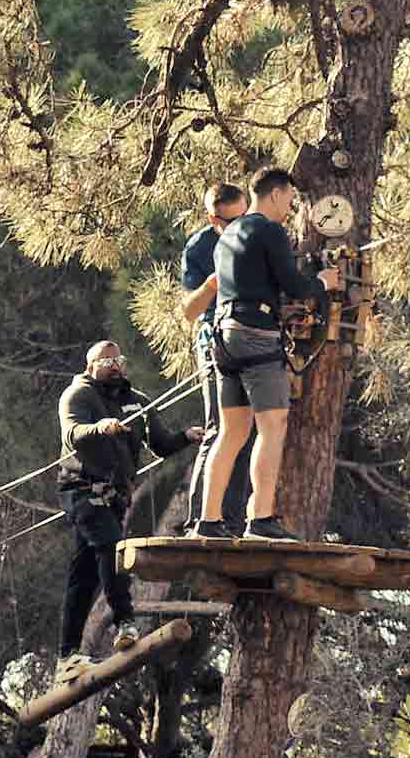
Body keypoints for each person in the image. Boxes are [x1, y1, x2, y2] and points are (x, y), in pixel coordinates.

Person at [190, 167, 339, 543]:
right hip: (256, 336)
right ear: (275, 194)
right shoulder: (269, 230)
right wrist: (322, 282)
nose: (290, 208)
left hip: (222, 339)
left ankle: (207, 521)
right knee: (273, 426)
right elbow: (294, 286)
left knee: (232, 432)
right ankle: (260, 519)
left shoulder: (225, 237)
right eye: (289, 200)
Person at [55, 341, 202, 684]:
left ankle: (67, 656)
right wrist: (100, 427)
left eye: (118, 359)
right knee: (112, 548)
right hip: (82, 491)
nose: (114, 365)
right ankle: (125, 620)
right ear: (90, 365)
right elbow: (73, 434)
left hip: (116, 497)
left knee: (84, 577)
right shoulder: (77, 395)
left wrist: (185, 436)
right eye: (106, 360)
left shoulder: (136, 400)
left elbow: (160, 444)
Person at [177, 180, 250, 531]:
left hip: (252, 341)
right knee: (219, 429)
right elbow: (190, 311)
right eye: (227, 221)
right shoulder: (200, 247)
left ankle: (233, 517)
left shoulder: (257, 235)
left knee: (250, 430)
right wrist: (212, 282)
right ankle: (200, 517)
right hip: (214, 340)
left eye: (242, 217)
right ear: (212, 218)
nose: (236, 227)